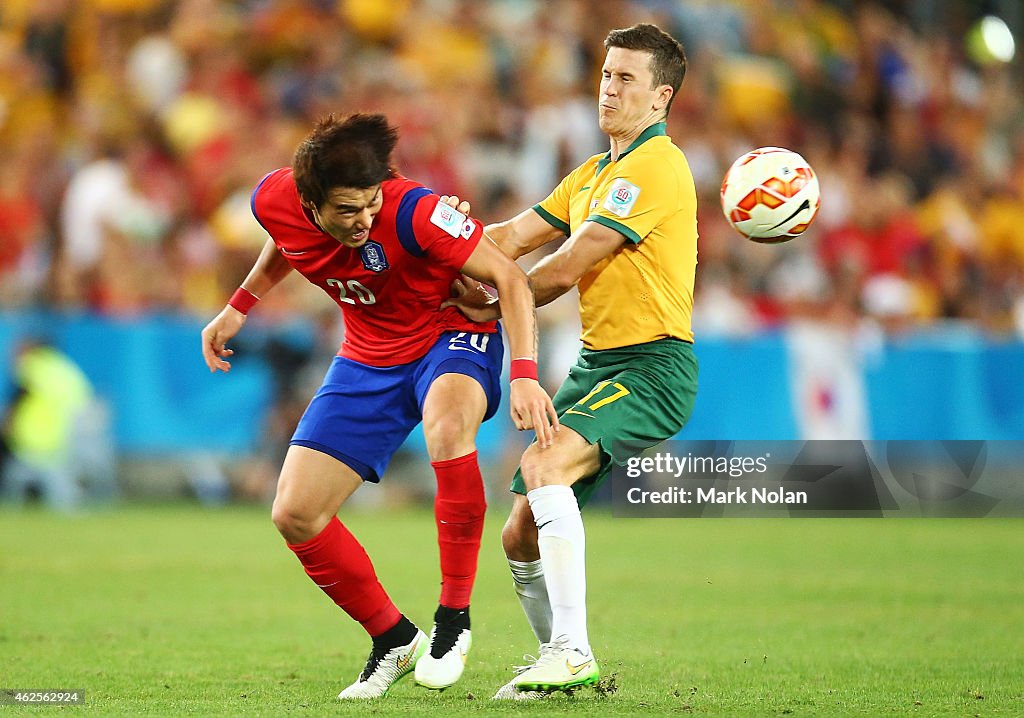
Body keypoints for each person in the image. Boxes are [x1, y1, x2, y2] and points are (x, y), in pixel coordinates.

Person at [200, 113, 558, 700]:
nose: (365, 220)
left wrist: (523, 375)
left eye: (370, 204)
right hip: (368, 353)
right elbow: (286, 243)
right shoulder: (273, 198)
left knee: (447, 428)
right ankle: (393, 638)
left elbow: (510, 280)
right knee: (294, 512)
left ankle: (453, 620)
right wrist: (239, 305)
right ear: (311, 203)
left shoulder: (416, 210)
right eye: (348, 211)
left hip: (450, 333)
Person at [442, 23, 698, 698]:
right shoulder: (593, 173)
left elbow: (563, 267)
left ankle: (573, 649)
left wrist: (484, 304)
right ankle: (558, 660)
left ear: (660, 97)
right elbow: (510, 237)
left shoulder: (655, 167)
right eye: (606, 74)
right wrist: (438, 243)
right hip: (600, 363)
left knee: (544, 462)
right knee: (519, 535)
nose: (609, 89)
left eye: (627, 79)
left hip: (652, 367)